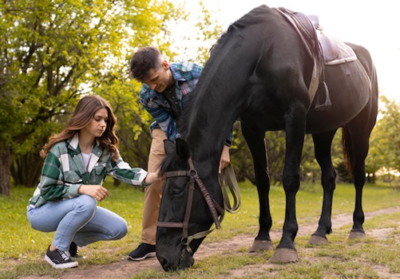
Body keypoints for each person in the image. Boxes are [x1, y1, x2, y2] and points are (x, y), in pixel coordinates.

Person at [27, 94, 160, 269]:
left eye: (105, 120)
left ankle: (69, 241)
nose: (103, 124)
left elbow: (124, 171)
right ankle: (56, 251)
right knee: (87, 201)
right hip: (42, 211)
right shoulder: (60, 149)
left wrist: (152, 176)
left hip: (78, 207)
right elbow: (47, 190)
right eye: (98, 119)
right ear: (84, 117)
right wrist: (81, 188)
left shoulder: (105, 151)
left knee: (119, 228)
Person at [128, 46, 232, 261]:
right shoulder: (147, 96)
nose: (153, 87)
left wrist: (225, 146)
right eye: (147, 84)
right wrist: (182, 152)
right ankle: (149, 241)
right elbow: (170, 128)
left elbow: (223, 109)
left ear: (166, 66)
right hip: (168, 132)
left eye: (155, 79)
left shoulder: (197, 74)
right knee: (155, 180)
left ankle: (189, 232)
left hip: (203, 129)